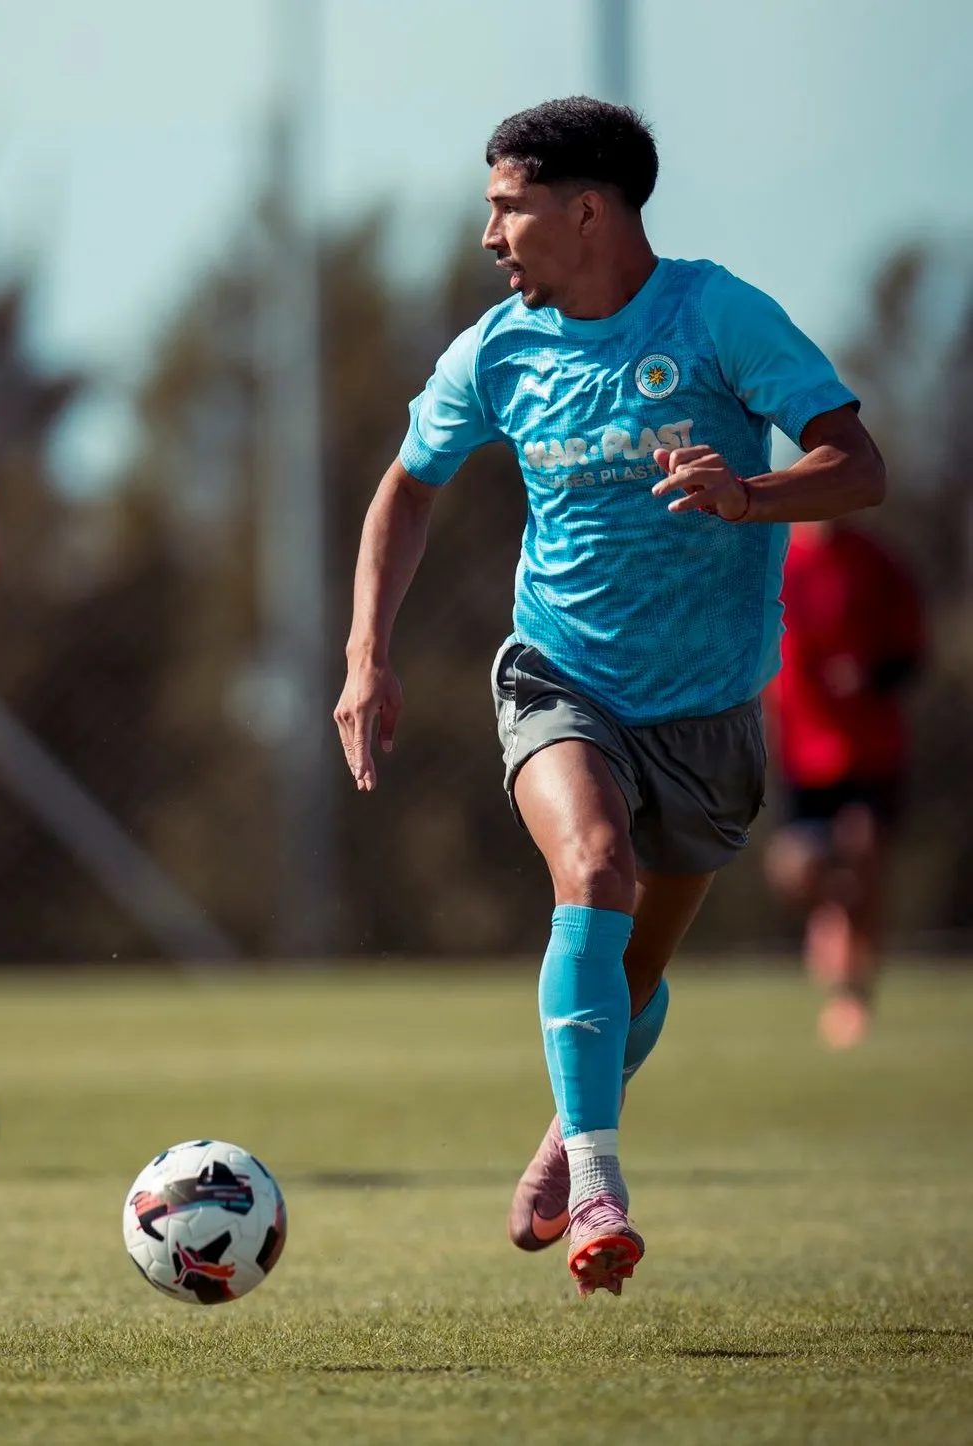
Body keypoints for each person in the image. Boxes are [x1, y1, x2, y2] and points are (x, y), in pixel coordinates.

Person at [333, 98, 885, 1296]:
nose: (488, 236)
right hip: (559, 674)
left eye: (505, 207)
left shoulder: (716, 315)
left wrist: (746, 495)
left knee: (633, 978)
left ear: (587, 210)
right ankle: (596, 1180)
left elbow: (857, 466)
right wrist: (367, 652)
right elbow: (406, 488)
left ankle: (564, 1129)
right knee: (593, 873)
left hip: (712, 713)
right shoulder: (497, 350)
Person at [763, 521, 925, 1050]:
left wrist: (871, 676)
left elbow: (912, 646)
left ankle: (854, 993)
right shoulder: (774, 562)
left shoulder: (875, 559)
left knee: (865, 852)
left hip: (870, 749)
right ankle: (829, 915)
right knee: (798, 868)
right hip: (803, 755)